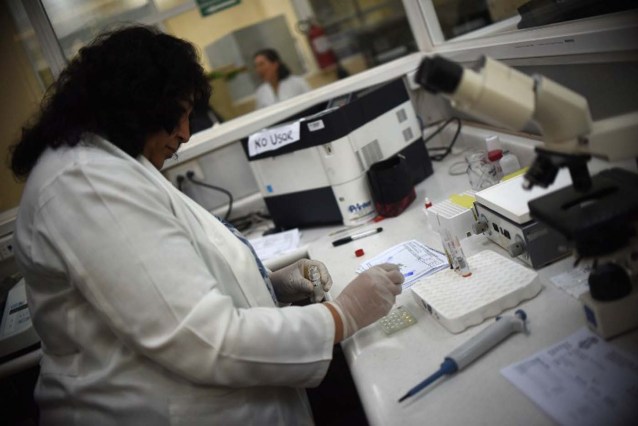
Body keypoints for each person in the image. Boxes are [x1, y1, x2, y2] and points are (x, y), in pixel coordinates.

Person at [9, 26, 404, 425]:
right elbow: (204, 339)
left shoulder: (113, 166)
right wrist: (343, 315)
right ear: (137, 104)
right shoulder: (85, 185)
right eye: (178, 114)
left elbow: (171, 282)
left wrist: (271, 283)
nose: (185, 133)